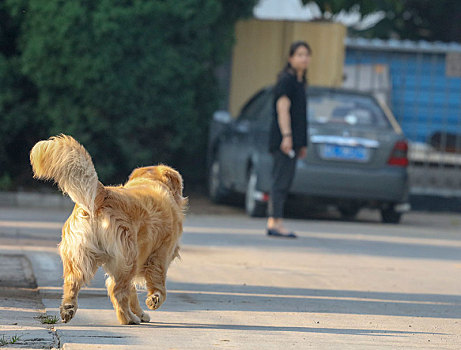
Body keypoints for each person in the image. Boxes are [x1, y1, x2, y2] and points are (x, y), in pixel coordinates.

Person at [266, 41, 312, 238]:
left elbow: (300, 115)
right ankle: (275, 223)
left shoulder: (301, 82)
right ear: (290, 58)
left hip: (294, 141)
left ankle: (275, 221)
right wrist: (287, 136)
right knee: (280, 181)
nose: (304, 58)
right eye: (299, 54)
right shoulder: (287, 80)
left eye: (306, 54)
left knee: (285, 180)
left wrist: (302, 143)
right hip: (284, 139)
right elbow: (282, 109)